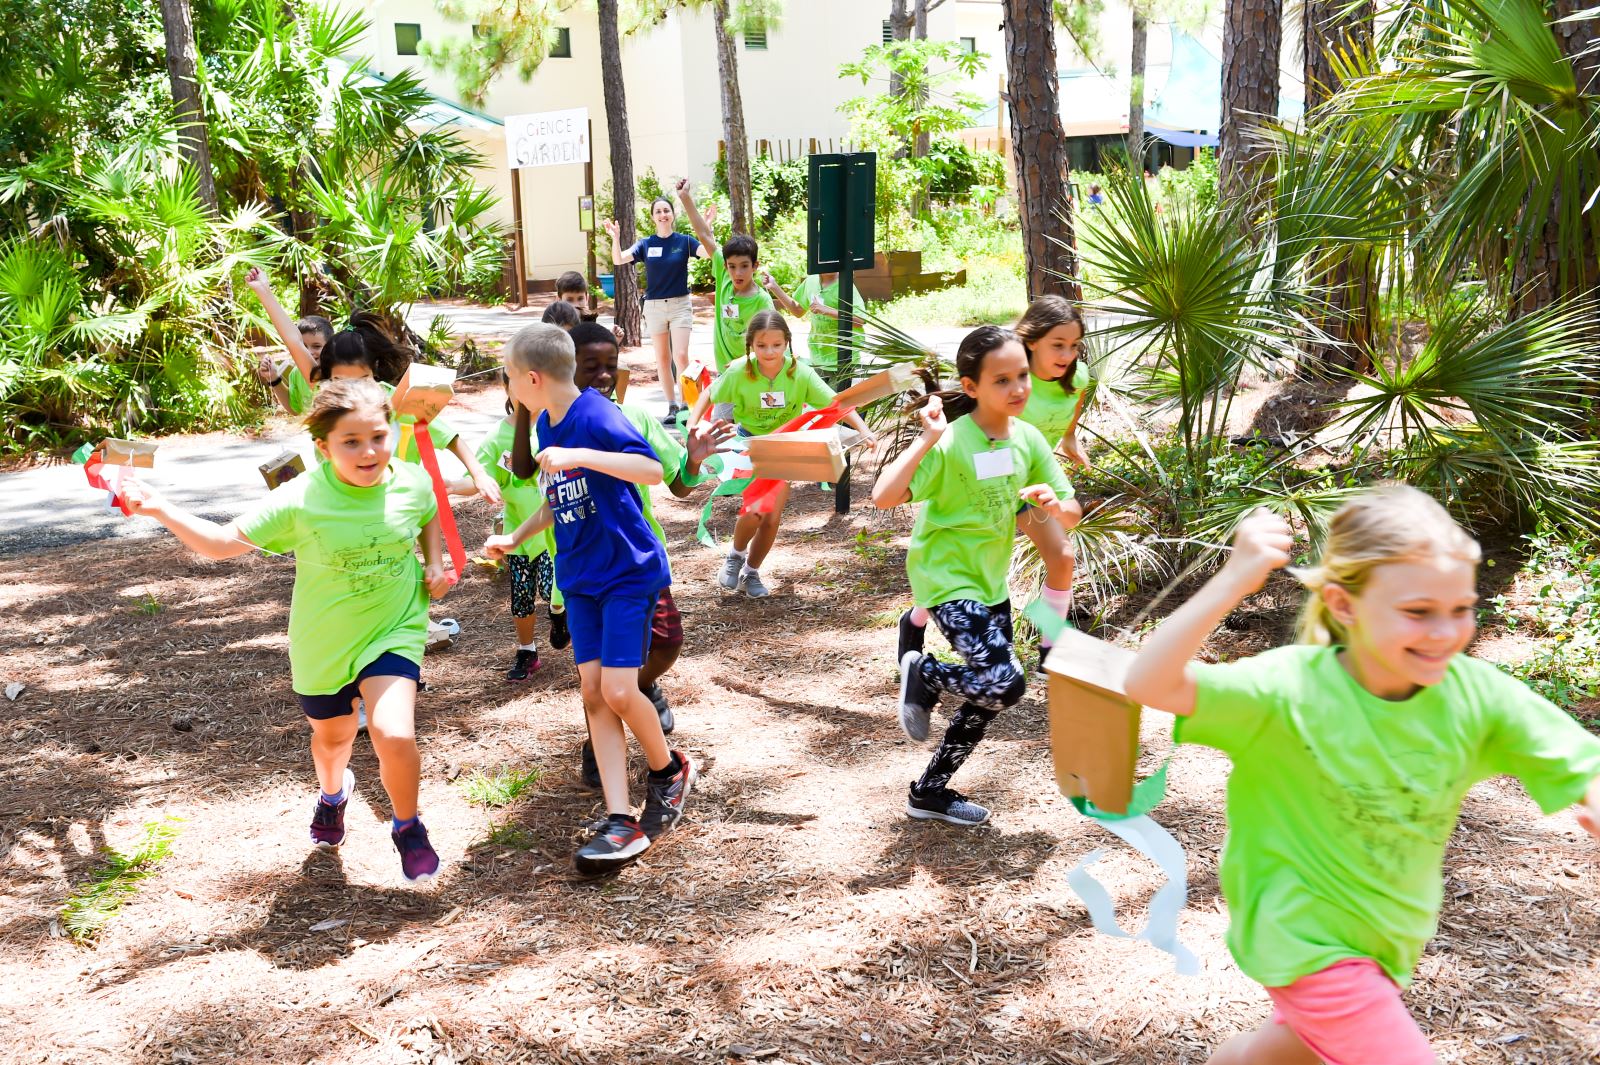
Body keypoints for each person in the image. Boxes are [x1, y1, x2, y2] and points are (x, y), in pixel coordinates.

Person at [1122, 491, 1600, 1065]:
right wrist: (1232, 581)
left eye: (1461, 609)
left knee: (1290, 1049)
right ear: (1344, 605)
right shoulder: (1285, 690)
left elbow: (1581, 762)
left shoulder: (1477, 696)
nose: (1446, 632)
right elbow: (1148, 683)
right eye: (1419, 612)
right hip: (1300, 935)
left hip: (1388, 939)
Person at [121, 379, 453, 884]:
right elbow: (219, 543)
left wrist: (434, 562)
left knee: (394, 732)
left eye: (379, 437)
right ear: (323, 447)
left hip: (394, 627)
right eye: (351, 441)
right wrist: (158, 507)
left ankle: (408, 826)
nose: (370, 451)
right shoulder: (301, 498)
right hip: (324, 642)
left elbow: (427, 511)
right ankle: (332, 795)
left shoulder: (410, 479)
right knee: (332, 739)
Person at [484, 324, 694, 874]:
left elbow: (649, 469)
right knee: (595, 695)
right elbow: (559, 499)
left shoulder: (595, 414)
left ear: (531, 378)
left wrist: (581, 453)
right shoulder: (545, 423)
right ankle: (620, 817)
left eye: (509, 377)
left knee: (622, 690)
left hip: (626, 571)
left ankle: (669, 771)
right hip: (580, 578)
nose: (508, 385)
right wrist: (517, 536)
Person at [871, 325, 1081, 827]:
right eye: (1002, 380)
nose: (1018, 389)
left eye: (1022, 377)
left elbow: (1070, 510)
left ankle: (928, 792)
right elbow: (883, 497)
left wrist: (1057, 505)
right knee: (1006, 683)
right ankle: (924, 672)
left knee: (988, 697)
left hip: (990, 585)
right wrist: (928, 439)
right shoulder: (952, 443)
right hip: (945, 578)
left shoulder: (1027, 438)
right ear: (971, 388)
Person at [568, 321, 735, 782]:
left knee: (666, 642)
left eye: (611, 366)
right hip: (587, 567)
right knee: (597, 676)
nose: (604, 376)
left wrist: (694, 458)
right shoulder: (558, 422)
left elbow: (676, 484)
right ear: (567, 368)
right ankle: (598, 749)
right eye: (590, 367)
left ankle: (641, 686)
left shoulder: (634, 417)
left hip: (638, 560)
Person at [898, 296, 1091, 661]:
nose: (1067, 355)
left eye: (1074, 345)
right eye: (1058, 345)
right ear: (1031, 342)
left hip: (1030, 483)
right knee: (958, 569)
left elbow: (1073, 403)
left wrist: (1069, 438)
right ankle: (916, 619)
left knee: (1062, 556)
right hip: (982, 481)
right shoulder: (1011, 375)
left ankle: (1050, 649)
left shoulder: (1077, 376)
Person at [244, 268, 502, 505]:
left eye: (361, 380)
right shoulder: (324, 391)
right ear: (327, 375)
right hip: (338, 498)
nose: (351, 389)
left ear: (374, 371)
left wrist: (479, 475)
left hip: (387, 501)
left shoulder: (397, 400)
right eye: (341, 381)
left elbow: (450, 438)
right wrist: (263, 290)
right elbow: (293, 341)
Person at [686, 311, 876, 598]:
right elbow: (708, 394)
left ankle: (750, 571)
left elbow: (837, 405)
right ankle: (735, 555)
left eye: (777, 344)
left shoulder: (800, 373)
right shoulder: (740, 372)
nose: (770, 352)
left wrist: (865, 430)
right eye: (762, 346)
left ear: (787, 341)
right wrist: (694, 423)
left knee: (772, 518)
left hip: (785, 449)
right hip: (751, 446)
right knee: (755, 510)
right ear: (751, 345)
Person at [474, 392, 567, 682]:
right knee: (522, 597)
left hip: (551, 530)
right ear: (508, 388)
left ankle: (558, 613)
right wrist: (452, 484)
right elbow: (480, 475)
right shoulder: (497, 437)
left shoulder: (555, 425)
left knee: (553, 586)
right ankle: (527, 650)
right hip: (517, 532)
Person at [604, 195, 712, 423]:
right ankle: (672, 405)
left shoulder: (684, 241)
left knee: (681, 356)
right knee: (662, 358)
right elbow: (619, 259)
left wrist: (707, 227)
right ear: (653, 217)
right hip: (653, 307)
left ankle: (686, 404)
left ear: (673, 215)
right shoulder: (646, 244)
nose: (663, 215)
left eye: (667, 210)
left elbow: (710, 252)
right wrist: (615, 238)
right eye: (659, 212)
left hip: (680, 305)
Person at [677, 179, 786, 373]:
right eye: (732, 266)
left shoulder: (762, 301)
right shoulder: (724, 274)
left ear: (755, 266)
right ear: (725, 266)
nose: (738, 273)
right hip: (725, 373)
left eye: (744, 266)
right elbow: (704, 235)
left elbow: (776, 341)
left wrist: (746, 360)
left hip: (754, 374)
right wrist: (685, 198)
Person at [769, 270, 866, 377]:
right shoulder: (811, 280)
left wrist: (826, 310)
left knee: (838, 394)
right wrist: (774, 287)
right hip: (818, 356)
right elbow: (798, 311)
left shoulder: (845, 284)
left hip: (842, 358)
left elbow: (859, 320)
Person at [255, 314, 332, 416]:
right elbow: (295, 409)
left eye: (316, 346)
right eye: (303, 347)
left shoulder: (337, 371)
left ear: (330, 346)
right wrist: (273, 377)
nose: (309, 352)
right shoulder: (296, 373)